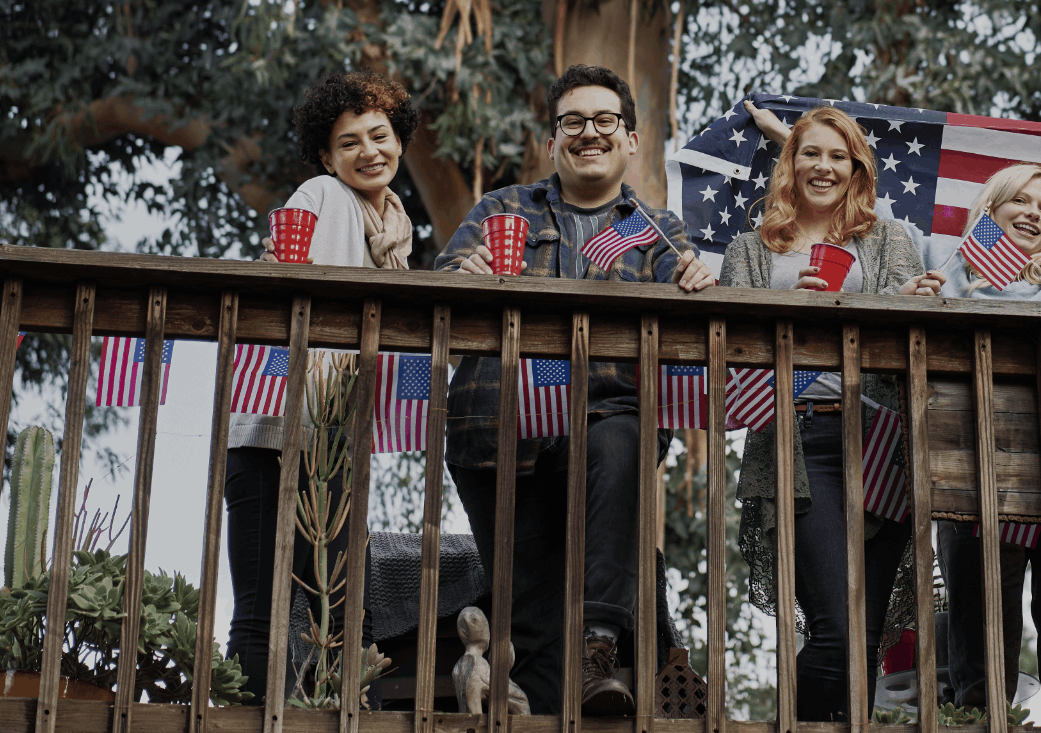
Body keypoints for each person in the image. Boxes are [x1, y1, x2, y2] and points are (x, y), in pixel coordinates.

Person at [435, 64, 715, 717]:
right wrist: (462, 271)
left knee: (619, 435)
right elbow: (444, 278)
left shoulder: (658, 229)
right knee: (534, 624)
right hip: (500, 428)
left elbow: (692, 324)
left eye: (604, 120)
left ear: (631, 139)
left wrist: (699, 283)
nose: (589, 132)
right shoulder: (502, 209)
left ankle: (600, 646)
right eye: (573, 122)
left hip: (607, 423)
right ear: (554, 137)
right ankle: (563, 675)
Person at [893, 163, 1041, 716]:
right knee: (980, 628)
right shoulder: (947, 264)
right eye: (1020, 201)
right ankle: (979, 719)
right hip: (971, 467)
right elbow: (879, 218)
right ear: (990, 209)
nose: (1033, 215)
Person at [718, 105, 923, 722]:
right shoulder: (751, 248)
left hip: (881, 440)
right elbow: (727, 345)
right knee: (836, 628)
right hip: (798, 442)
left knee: (861, 640)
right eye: (810, 153)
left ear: (857, 168)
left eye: (839, 155)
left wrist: (909, 301)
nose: (824, 166)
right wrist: (790, 307)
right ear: (790, 163)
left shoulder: (888, 240)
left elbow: (916, 338)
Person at [226, 70, 419, 701]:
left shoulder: (395, 231)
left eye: (380, 135)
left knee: (328, 603)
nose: (369, 151)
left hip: (334, 433)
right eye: (349, 142)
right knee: (267, 604)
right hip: (276, 429)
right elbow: (290, 277)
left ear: (399, 140)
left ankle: (321, 708)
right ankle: (250, 711)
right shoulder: (322, 197)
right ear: (325, 156)